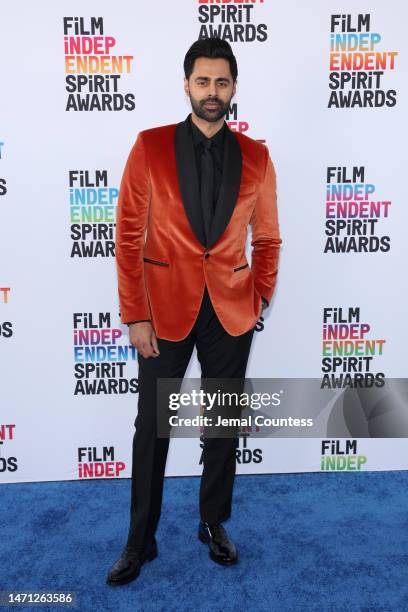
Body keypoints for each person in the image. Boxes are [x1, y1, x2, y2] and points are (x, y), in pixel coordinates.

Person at [107, 37, 282, 586]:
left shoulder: (257, 156)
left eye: (222, 82)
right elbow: (128, 237)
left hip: (231, 312)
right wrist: (135, 314)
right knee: (151, 429)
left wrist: (261, 297)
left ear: (233, 88)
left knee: (222, 425)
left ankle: (213, 523)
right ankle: (140, 539)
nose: (212, 92)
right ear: (186, 84)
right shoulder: (149, 146)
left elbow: (269, 237)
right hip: (163, 312)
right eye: (203, 81)